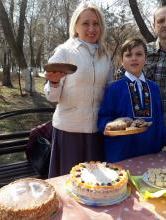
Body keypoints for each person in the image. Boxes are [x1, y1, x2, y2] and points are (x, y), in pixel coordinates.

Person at [44, 2, 112, 177]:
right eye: (85, 23)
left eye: (96, 23)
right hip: (69, 132)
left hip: (96, 133)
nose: (91, 28)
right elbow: (52, 97)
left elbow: (109, 91)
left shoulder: (105, 55)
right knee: (69, 187)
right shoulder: (64, 51)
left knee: (94, 186)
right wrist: (54, 83)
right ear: (76, 26)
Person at [98, 38, 166, 163]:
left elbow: (160, 120)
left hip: (151, 154)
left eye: (139, 54)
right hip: (121, 154)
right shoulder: (114, 88)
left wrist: (161, 143)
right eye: (128, 55)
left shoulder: (154, 88)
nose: (134, 58)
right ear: (122, 61)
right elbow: (103, 118)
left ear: (146, 58)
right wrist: (108, 125)